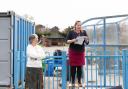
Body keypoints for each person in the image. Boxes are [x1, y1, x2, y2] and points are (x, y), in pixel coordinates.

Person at [66, 21, 89, 87]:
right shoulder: (71, 32)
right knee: (73, 67)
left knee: (79, 67)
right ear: (75, 25)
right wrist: (74, 40)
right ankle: (72, 81)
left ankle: (79, 81)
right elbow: (67, 41)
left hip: (81, 52)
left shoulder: (84, 32)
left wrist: (86, 39)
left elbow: (87, 42)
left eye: (80, 25)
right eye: (78, 25)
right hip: (73, 52)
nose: (79, 26)